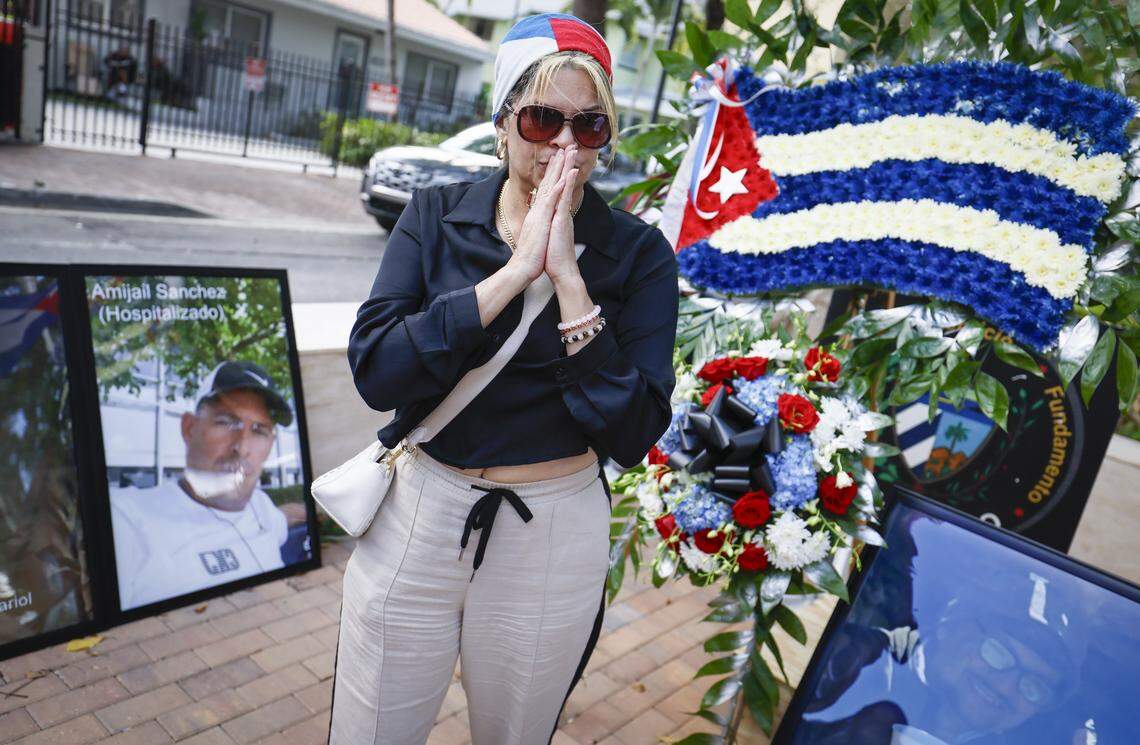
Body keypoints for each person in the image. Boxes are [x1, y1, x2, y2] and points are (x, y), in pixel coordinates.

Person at [329, 12, 680, 745]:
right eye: (544, 117)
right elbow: (376, 368)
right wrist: (513, 275)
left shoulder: (639, 255)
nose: (563, 143)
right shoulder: (434, 214)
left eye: (588, 126)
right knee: (371, 727)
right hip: (420, 507)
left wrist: (569, 283)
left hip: (552, 525)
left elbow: (635, 430)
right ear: (503, 121)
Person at [110, 360, 305, 611]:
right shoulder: (127, 522)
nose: (242, 447)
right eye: (226, 422)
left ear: (271, 443)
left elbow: (287, 515)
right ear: (189, 428)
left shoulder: (261, 507)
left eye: (259, 430)